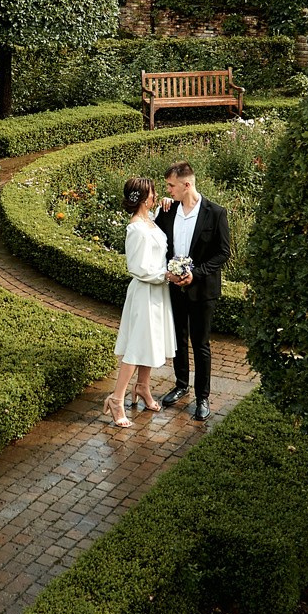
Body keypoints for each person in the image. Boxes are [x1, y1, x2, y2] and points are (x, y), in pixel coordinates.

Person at [155, 159, 231, 419]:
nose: (169, 190)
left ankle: (203, 398)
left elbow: (222, 253)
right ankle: (180, 385)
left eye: (171, 186)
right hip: (175, 288)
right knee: (178, 339)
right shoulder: (167, 210)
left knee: (201, 344)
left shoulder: (216, 213)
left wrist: (195, 274)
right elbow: (156, 242)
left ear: (187, 184)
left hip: (203, 290)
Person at [105, 175, 174, 427]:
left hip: (157, 292)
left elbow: (158, 219)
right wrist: (165, 275)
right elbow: (136, 267)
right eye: (153, 193)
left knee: (151, 342)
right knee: (136, 346)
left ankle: (143, 387)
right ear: (143, 199)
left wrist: (167, 202)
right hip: (145, 291)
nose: (156, 195)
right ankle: (116, 397)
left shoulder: (150, 220)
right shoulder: (135, 228)